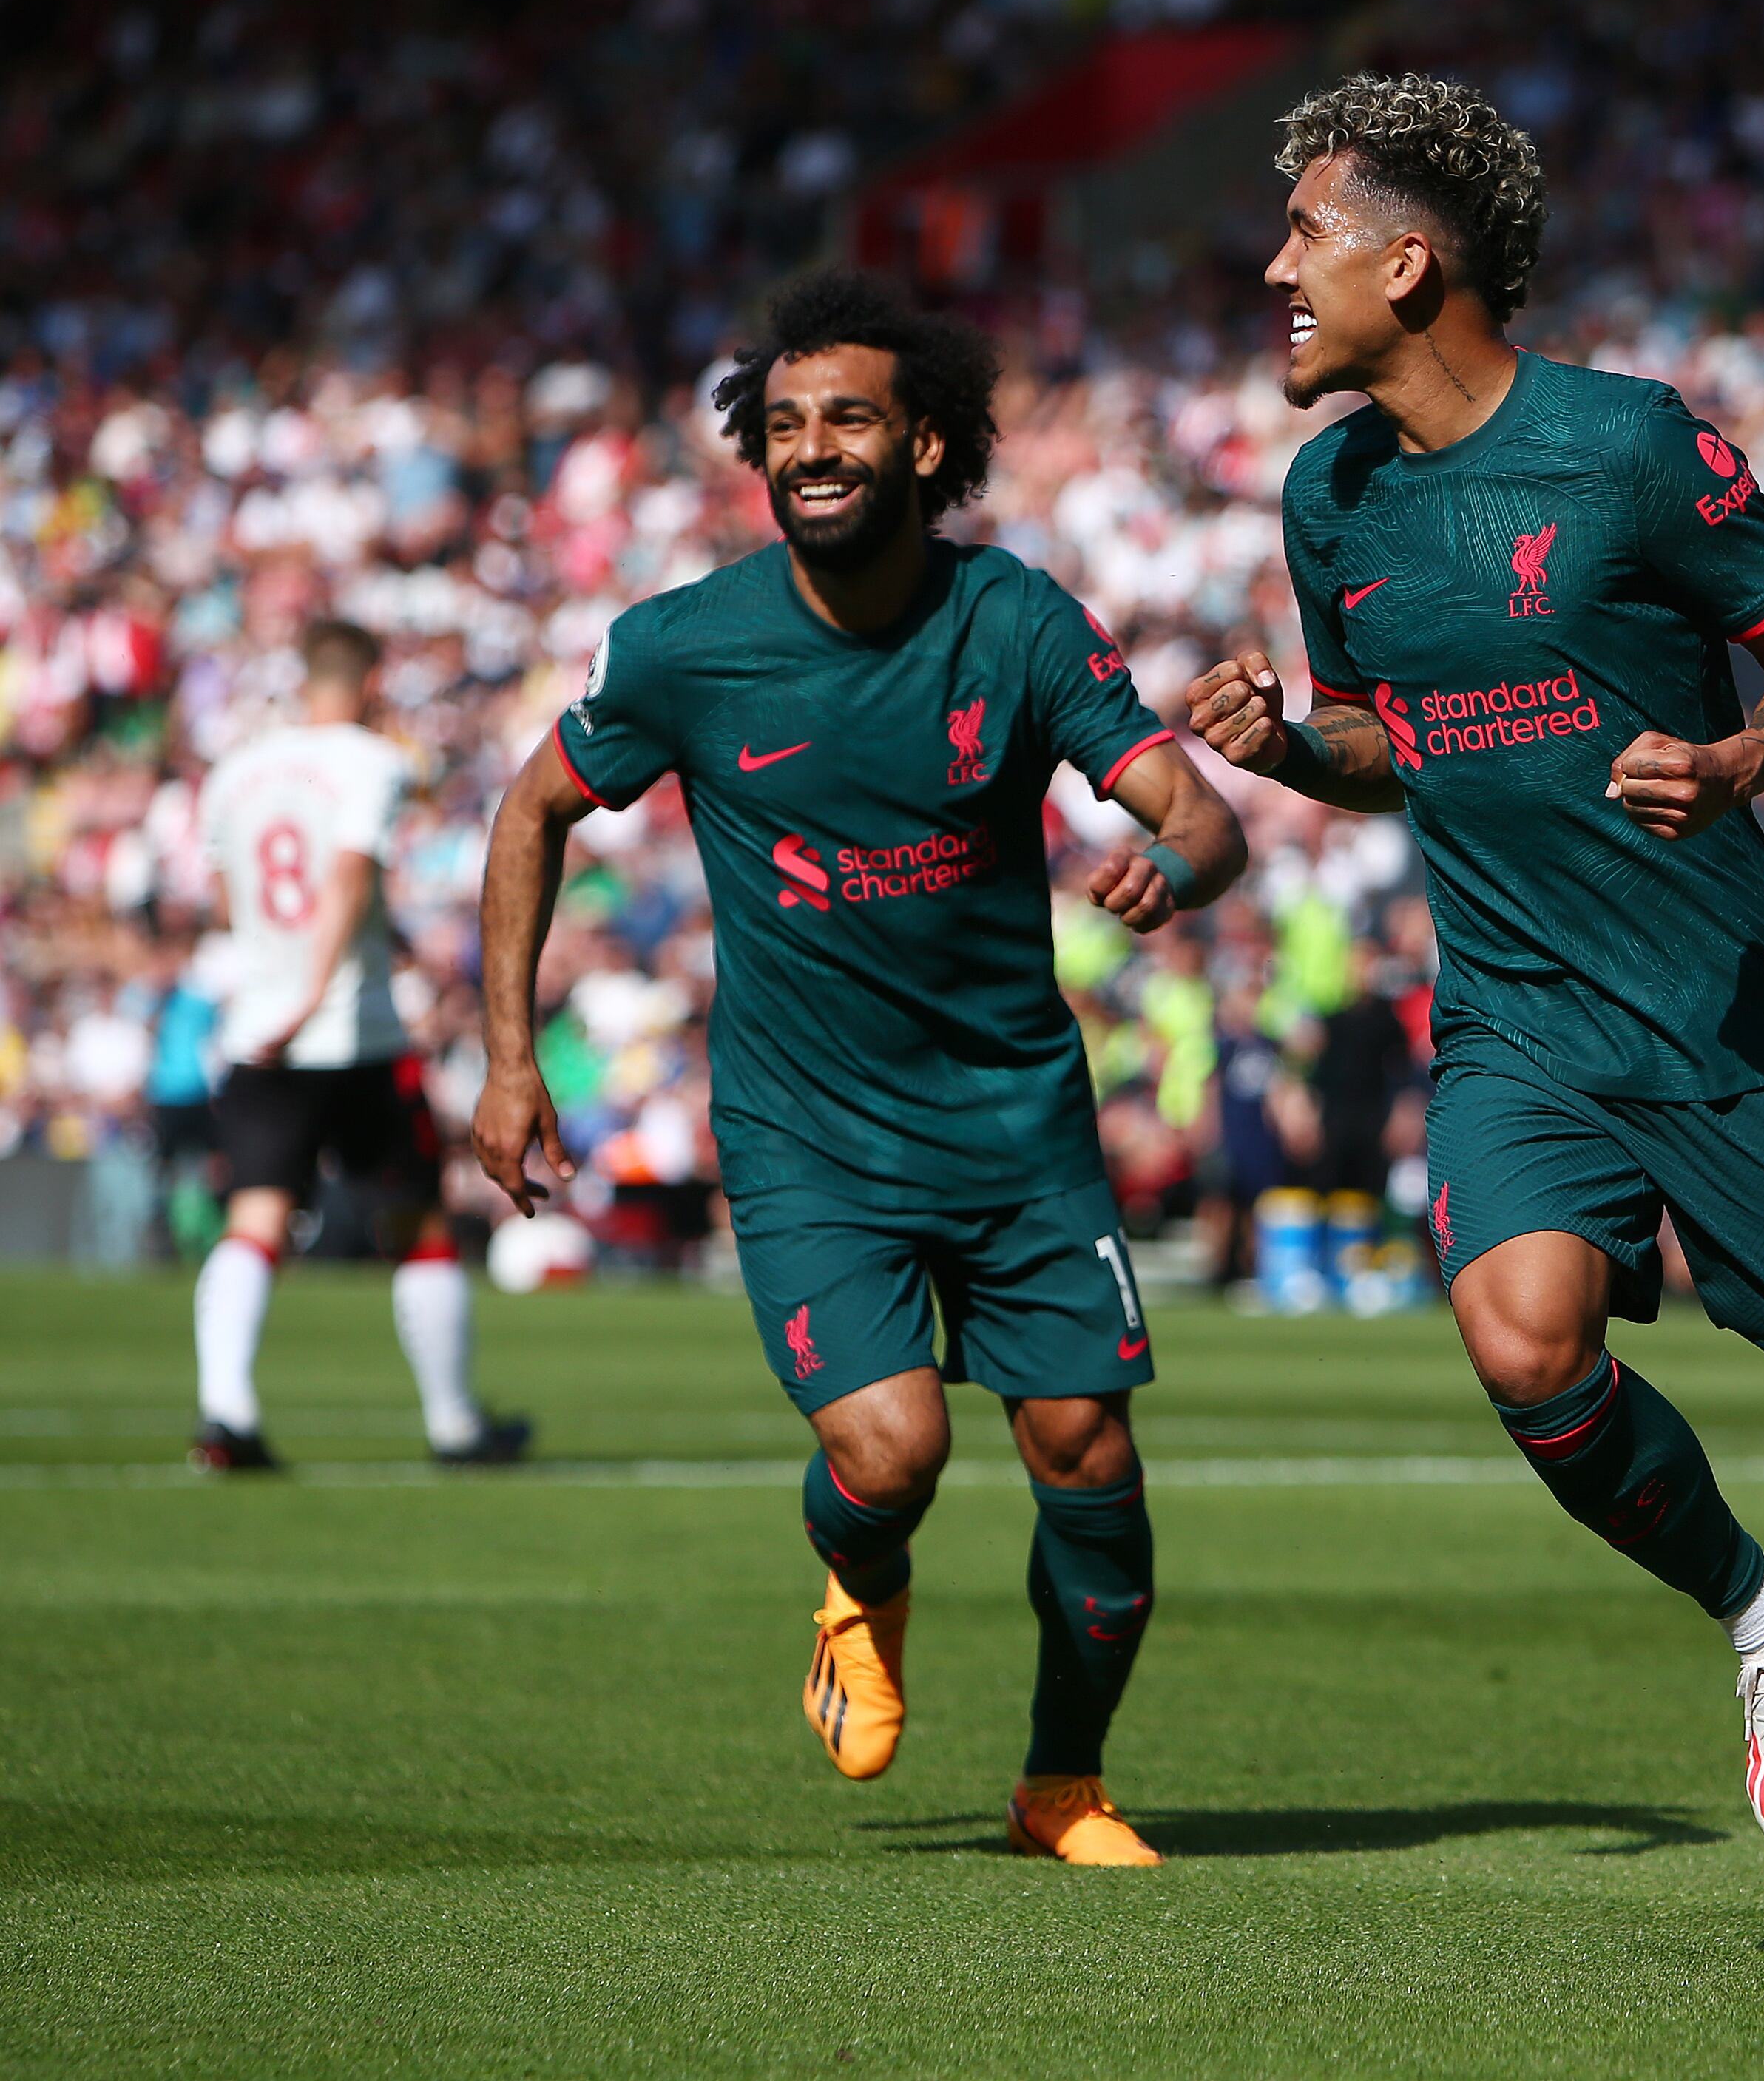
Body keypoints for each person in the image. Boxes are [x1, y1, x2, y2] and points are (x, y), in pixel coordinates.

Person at [1185, 73, 1764, 1969]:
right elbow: (1398, 743)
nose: (1274, 270)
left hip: (1721, 1009)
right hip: (1518, 1013)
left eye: (1302, 234)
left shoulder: (1629, 449)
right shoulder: (1331, 495)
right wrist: (1290, 742)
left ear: (1407, 256)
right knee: (1523, 1348)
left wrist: (1736, 757)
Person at [475, 271, 1246, 1869]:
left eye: (849, 419)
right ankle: (859, 1580)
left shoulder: (1014, 618)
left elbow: (1199, 809)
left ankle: (1062, 1786)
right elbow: (532, 811)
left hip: (1018, 1126)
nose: (812, 445)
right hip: (807, 1135)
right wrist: (506, 1061)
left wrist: (1180, 856)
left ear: (926, 447)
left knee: (1085, 1455)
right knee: (890, 1451)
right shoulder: (686, 647)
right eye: (785, 424)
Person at [189, 619, 526, 1473]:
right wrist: (317, 984)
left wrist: (283, 984)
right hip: (355, 1031)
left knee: (255, 1218)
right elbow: (346, 871)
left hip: (258, 1036)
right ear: (371, 683)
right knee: (419, 1222)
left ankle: (225, 1411)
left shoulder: (234, 772)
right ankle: (454, 1426)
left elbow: (230, 905)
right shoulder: (373, 763)